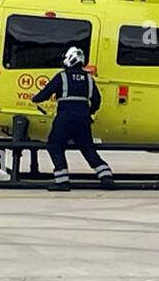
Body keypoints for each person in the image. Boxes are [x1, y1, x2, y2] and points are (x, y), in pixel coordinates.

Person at [31, 47, 114, 191]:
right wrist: (89, 112)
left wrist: (35, 98)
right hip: (83, 119)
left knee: (54, 145)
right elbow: (97, 100)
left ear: (69, 59)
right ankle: (106, 176)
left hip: (65, 118)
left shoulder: (62, 76)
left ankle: (62, 180)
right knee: (88, 148)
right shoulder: (89, 78)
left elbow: (45, 94)